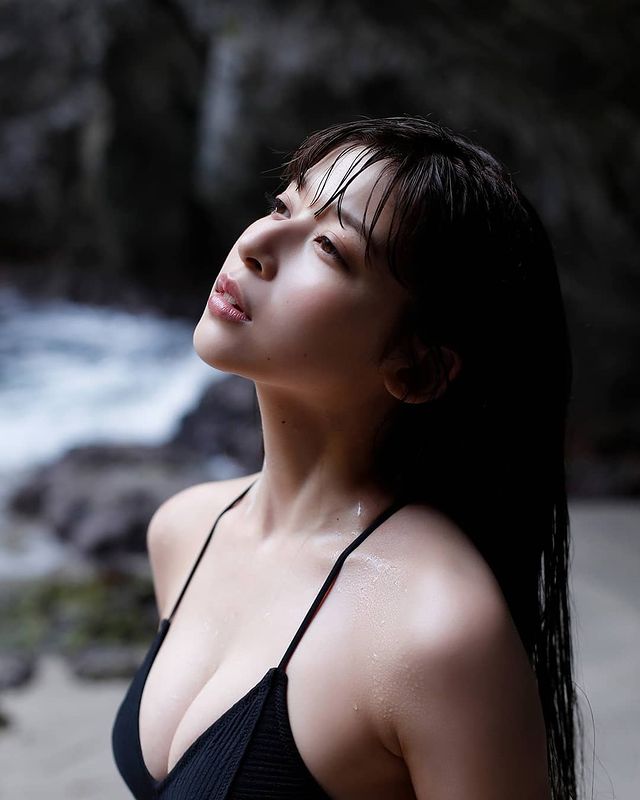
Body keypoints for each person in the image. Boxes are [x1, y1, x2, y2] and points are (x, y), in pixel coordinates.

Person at [112, 115, 581, 799]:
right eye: (282, 205)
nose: (258, 244)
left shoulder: (438, 632)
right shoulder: (184, 530)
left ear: (417, 366)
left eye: (331, 248)